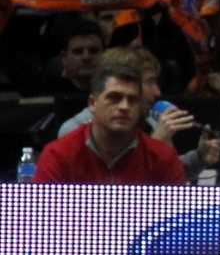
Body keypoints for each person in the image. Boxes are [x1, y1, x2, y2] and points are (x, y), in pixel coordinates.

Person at [34, 53, 188, 185]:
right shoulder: (58, 155)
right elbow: (42, 217)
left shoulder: (163, 157)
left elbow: (179, 218)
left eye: (132, 100)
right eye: (114, 98)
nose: (124, 106)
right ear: (93, 103)